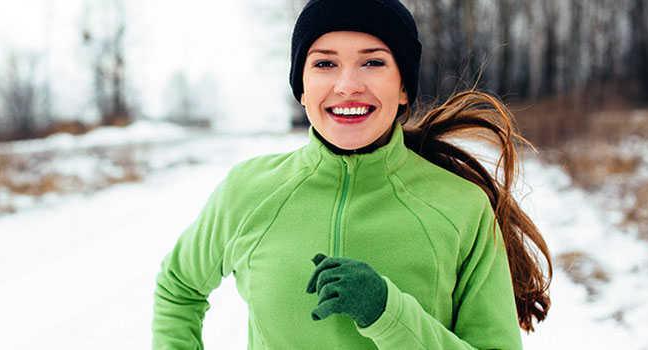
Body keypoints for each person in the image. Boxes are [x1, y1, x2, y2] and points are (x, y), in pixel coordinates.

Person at [152, 0, 552, 348]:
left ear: (403, 89)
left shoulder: (461, 208)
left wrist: (387, 313)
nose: (347, 85)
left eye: (373, 62)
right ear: (302, 88)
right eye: (325, 63)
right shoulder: (249, 192)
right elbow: (178, 287)